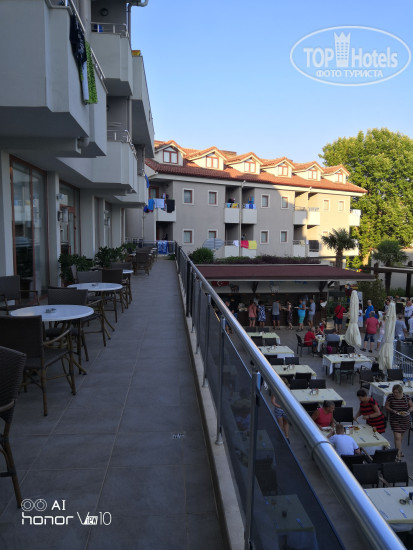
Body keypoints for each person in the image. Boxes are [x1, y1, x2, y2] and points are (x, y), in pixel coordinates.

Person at [385, 384, 413, 461]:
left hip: (405, 420)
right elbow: (386, 406)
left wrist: (408, 411)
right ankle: (398, 456)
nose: (395, 394)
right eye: (394, 392)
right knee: (397, 437)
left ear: (401, 392)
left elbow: (411, 406)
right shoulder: (390, 397)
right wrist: (392, 410)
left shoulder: (406, 397)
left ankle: (398, 451)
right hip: (395, 419)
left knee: (400, 437)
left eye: (396, 392)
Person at [271, 377, 290, 442]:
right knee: (285, 422)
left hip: (278, 409)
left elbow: (273, 402)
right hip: (285, 409)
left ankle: (280, 437)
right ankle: (286, 437)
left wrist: (279, 406)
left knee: (280, 424)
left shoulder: (275, 390)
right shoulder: (287, 390)